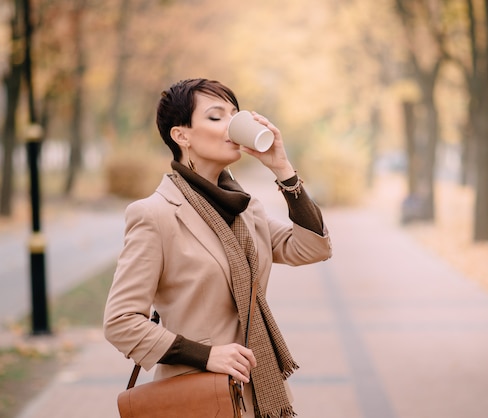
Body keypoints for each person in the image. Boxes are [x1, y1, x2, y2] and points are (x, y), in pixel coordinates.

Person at [103, 78, 332, 418]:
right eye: (216, 116)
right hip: (197, 398)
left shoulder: (245, 209)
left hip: (260, 395)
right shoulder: (155, 215)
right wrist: (206, 355)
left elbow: (312, 248)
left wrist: (283, 170)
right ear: (182, 136)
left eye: (235, 115)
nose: (231, 125)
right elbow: (120, 321)